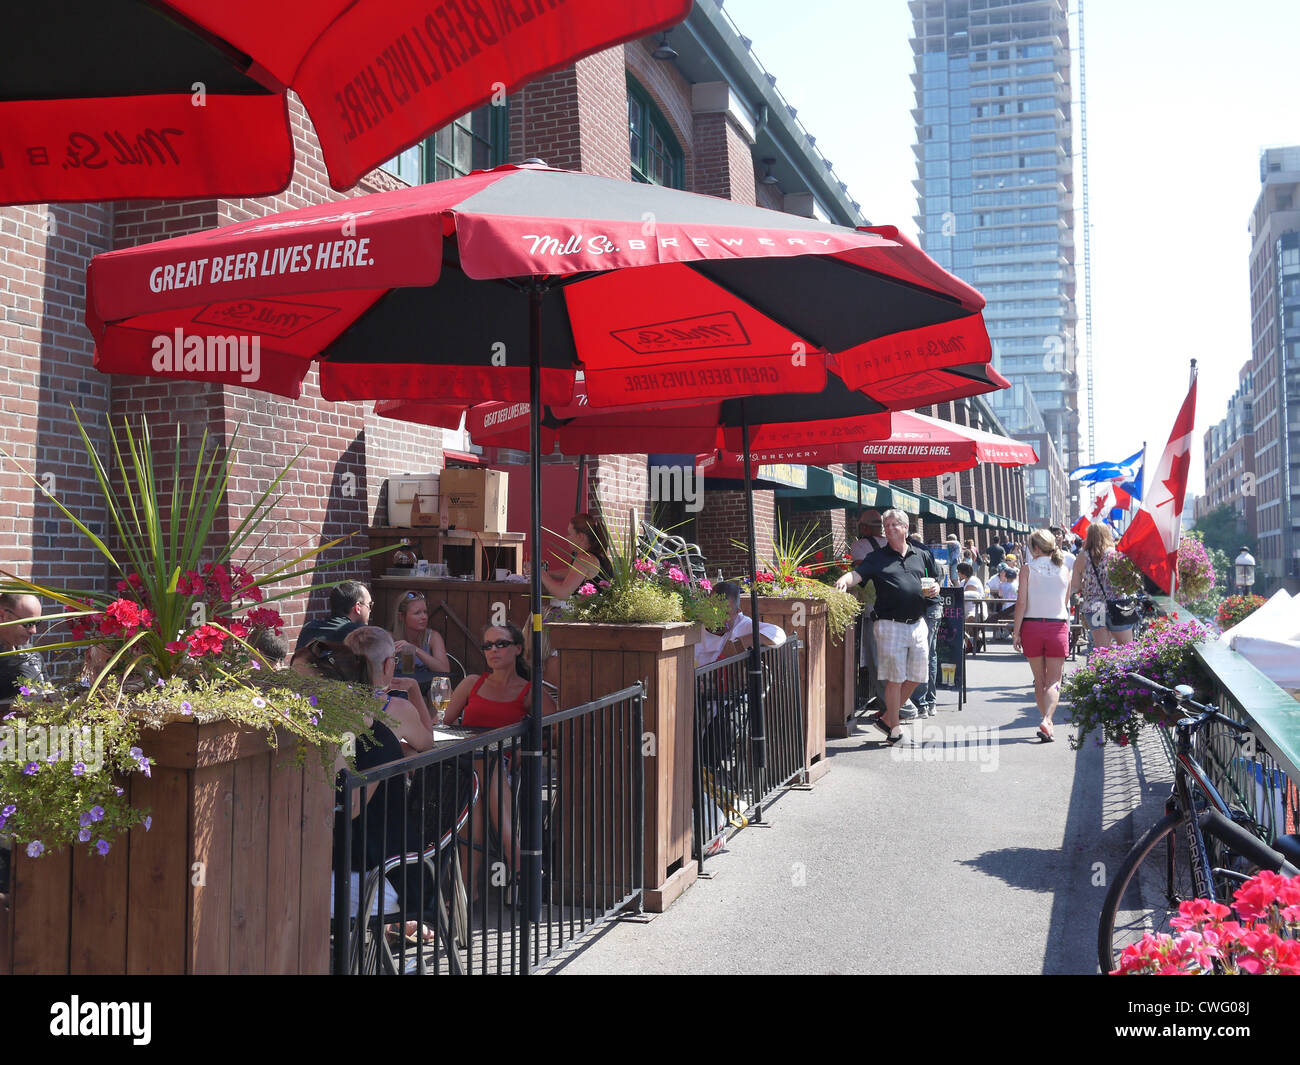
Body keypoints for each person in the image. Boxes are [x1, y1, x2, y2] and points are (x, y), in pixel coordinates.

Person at [444, 623, 556, 892]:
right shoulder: (472, 682)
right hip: (463, 763)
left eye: (501, 644)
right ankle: (514, 853)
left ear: (518, 649)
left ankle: (469, 888)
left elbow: (558, 729)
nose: (493, 650)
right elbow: (445, 724)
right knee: (482, 766)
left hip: (502, 767)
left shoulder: (530, 691)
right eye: (487, 645)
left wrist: (524, 748)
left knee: (481, 784)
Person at [834, 509, 939, 746]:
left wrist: (937, 589)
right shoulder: (877, 558)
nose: (889, 528)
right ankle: (895, 729)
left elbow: (934, 580)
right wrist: (844, 580)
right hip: (889, 624)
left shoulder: (920, 554)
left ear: (905, 528)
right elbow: (857, 575)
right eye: (886, 525)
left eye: (894, 525)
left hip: (918, 623)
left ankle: (886, 718)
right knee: (895, 678)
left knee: (917, 676)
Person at [1012, 529, 1072, 742]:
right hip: (1057, 626)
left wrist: (1016, 631)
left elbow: (1021, 603)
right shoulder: (1064, 569)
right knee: (1055, 679)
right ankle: (1048, 720)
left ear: (1035, 548)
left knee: (1040, 679)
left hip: (1032, 626)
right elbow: (1065, 602)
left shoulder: (1027, 569)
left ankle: (1046, 720)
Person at [1069, 522, 1135, 650]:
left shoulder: (1082, 556)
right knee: (1127, 648)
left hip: (1095, 607)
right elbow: (1127, 582)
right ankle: (1124, 670)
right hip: (1120, 604)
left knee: (1102, 650)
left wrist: (1088, 585)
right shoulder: (1116, 554)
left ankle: (1102, 670)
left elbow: (1075, 586)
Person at [694, 581, 787, 666]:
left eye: (725, 613)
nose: (718, 618)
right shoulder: (695, 623)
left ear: (737, 612)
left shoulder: (742, 623)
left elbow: (778, 634)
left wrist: (738, 644)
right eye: (713, 610)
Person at [908, 533, 945, 718]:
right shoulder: (927, 552)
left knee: (922, 654)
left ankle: (921, 703)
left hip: (925, 607)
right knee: (929, 654)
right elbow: (939, 577)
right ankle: (929, 702)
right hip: (933, 607)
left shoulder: (912, 553)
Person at [539, 512, 612, 601]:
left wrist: (540, 573)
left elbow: (563, 593)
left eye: (570, 533)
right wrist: (550, 574)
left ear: (581, 536)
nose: (567, 537)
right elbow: (573, 573)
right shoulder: (598, 556)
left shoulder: (584, 559)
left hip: (588, 613)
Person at [390, 591, 452, 690]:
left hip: (425, 688)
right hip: (398, 689)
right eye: (417, 613)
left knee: (442, 690)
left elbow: (444, 670)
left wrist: (415, 650)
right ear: (401, 616)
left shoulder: (432, 637)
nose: (424, 617)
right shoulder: (389, 638)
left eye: (425, 612)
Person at [293, 580, 372, 651]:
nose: (370, 610)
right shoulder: (360, 636)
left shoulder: (309, 628)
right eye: (369, 605)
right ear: (358, 607)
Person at [0, 593, 46, 701]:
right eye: (28, 623)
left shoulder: (33, 654)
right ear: (2, 616)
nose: (33, 631)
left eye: (37, 623)